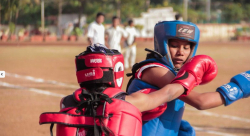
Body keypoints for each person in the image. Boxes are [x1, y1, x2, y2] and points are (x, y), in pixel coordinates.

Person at [39, 43, 223, 136]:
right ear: (114, 70)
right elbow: (169, 92)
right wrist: (191, 74)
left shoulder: (67, 103)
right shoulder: (130, 101)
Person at [126, 20, 250, 136]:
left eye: (186, 47)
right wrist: (240, 87)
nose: (181, 52)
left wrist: (174, 123)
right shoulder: (156, 71)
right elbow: (201, 102)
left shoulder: (173, 72)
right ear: (162, 45)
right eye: (174, 46)